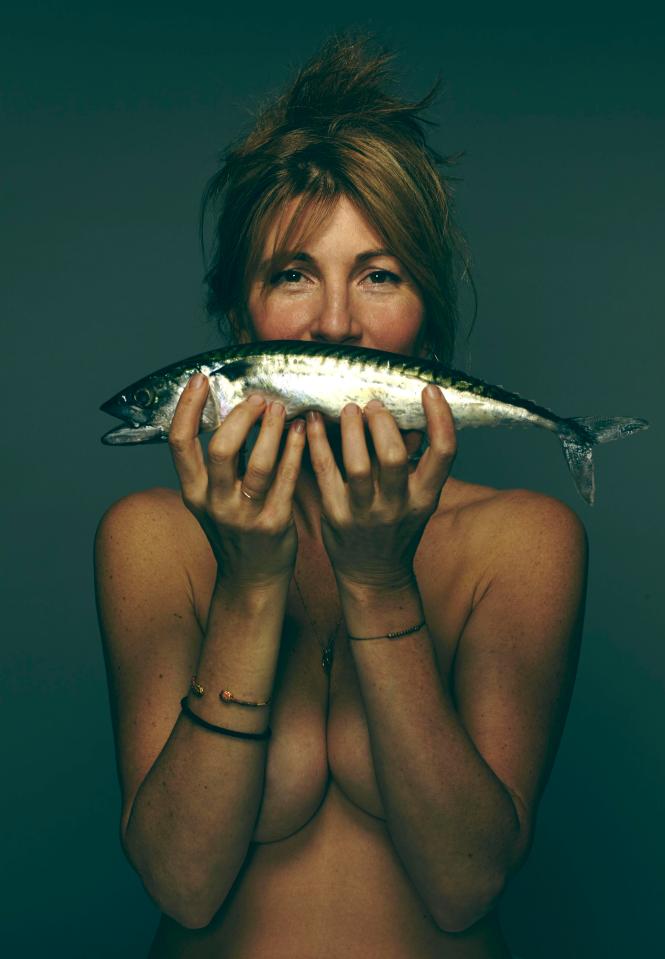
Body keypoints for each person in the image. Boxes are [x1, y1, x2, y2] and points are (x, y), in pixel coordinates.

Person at [95, 35, 586, 959]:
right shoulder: (151, 539)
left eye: (380, 274)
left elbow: (464, 882)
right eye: (292, 273)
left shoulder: (525, 541)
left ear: (425, 323)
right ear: (241, 321)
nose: (333, 322)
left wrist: (377, 583)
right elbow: (182, 884)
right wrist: (248, 586)